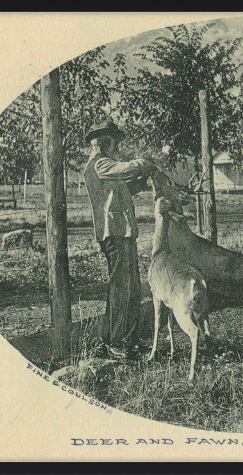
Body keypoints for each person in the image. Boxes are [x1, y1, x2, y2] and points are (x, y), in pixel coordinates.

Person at [83, 119, 153, 356]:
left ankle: (128, 340)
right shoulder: (100, 164)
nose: (118, 147)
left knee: (131, 288)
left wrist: (140, 184)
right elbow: (126, 169)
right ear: (104, 143)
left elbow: (121, 188)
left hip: (123, 232)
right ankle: (116, 343)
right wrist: (143, 164)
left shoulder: (107, 167)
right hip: (114, 233)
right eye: (115, 142)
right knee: (121, 288)